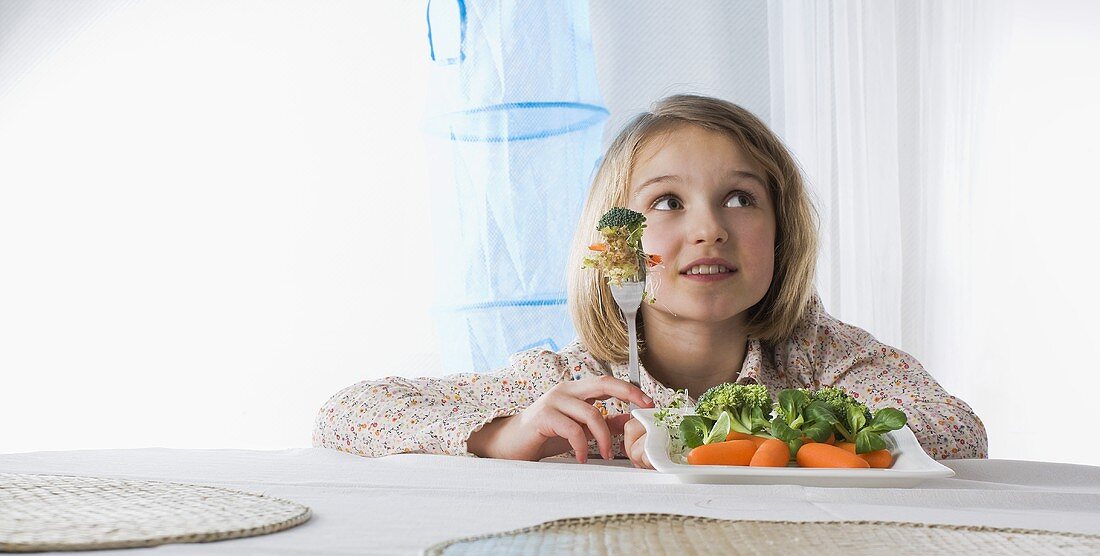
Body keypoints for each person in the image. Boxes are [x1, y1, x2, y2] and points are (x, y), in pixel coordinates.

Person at [313, 95, 987, 467]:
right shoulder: (579, 384)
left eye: (741, 199)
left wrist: (718, 435)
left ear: (782, 233)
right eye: (667, 203)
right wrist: (501, 433)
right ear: (615, 248)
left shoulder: (823, 356)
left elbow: (958, 429)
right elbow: (348, 411)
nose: (709, 229)